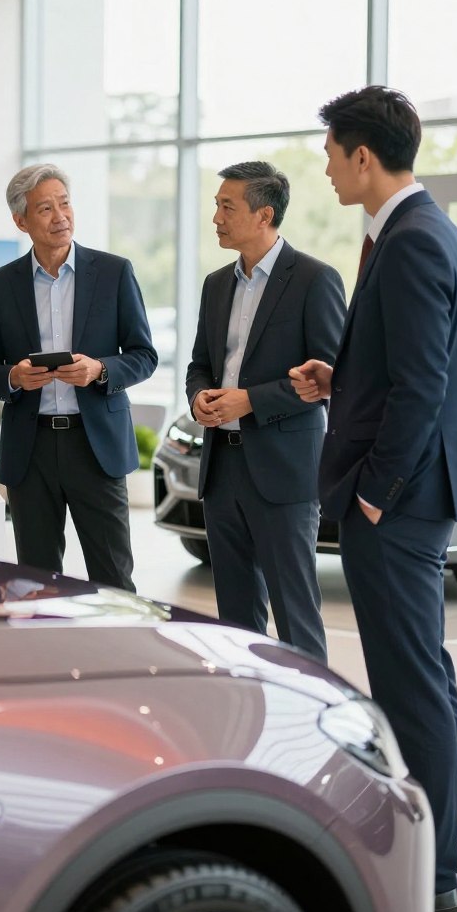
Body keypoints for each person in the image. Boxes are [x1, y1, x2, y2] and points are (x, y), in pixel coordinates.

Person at [290, 86, 457, 912]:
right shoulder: (409, 232)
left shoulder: (411, 242)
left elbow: (423, 388)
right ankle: (435, 858)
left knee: (411, 686)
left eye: (331, 153)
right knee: (419, 678)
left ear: (364, 155)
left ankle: (435, 873)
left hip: (399, 503)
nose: (326, 167)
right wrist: (344, 379)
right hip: (407, 496)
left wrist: (372, 497)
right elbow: (402, 372)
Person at [0, 163, 156, 589]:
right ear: (21, 220)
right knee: (35, 581)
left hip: (95, 448)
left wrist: (101, 369)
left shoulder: (113, 272)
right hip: (29, 449)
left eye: (65, 203)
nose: (60, 216)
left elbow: (145, 355)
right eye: (45, 209)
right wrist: (13, 378)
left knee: (113, 579)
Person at [187, 162, 346, 662]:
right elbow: (199, 364)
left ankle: (315, 724)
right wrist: (200, 396)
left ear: (264, 214)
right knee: (235, 619)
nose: (215, 216)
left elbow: (332, 377)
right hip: (222, 468)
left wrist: (251, 401)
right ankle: (246, 716)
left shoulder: (315, 280)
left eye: (226, 206)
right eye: (216, 204)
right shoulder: (216, 284)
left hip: (283, 471)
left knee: (296, 613)